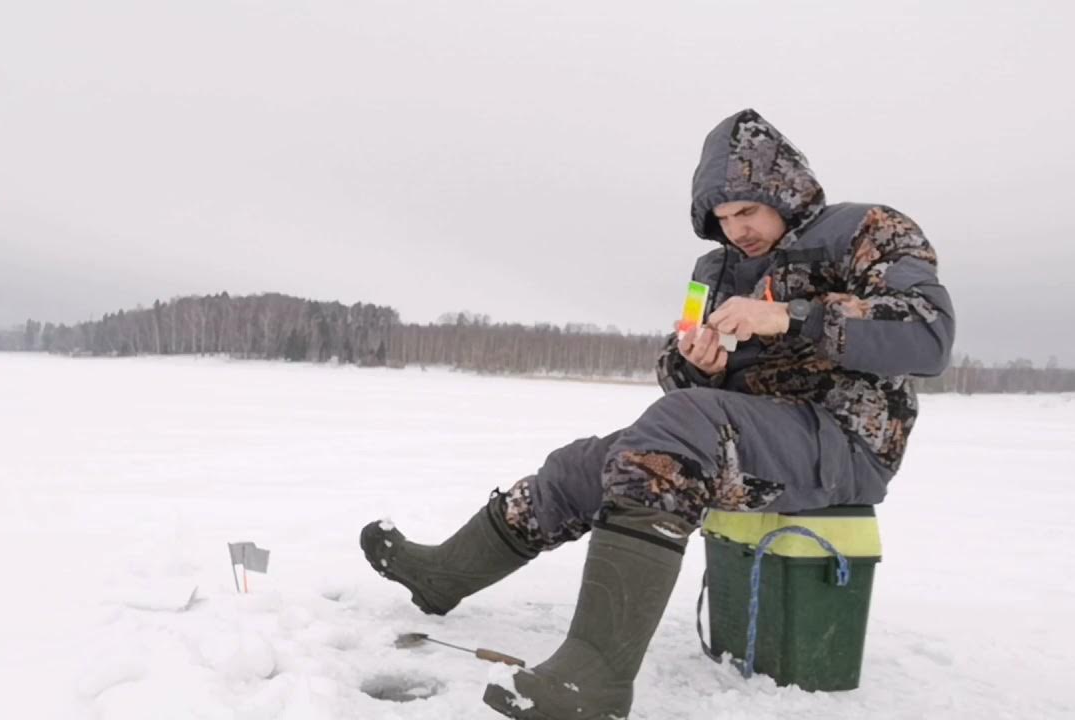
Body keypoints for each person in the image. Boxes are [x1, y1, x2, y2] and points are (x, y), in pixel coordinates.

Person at [360, 109, 956, 719]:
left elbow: (930, 335)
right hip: (742, 435)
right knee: (586, 464)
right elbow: (678, 379)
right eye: (722, 219)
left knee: (677, 428)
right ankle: (446, 574)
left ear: (785, 190)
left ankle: (595, 680)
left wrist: (791, 316)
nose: (737, 230)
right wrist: (698, 362)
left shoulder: (867, 230)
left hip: (843, 441)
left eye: (747, 212)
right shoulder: (716, 271)